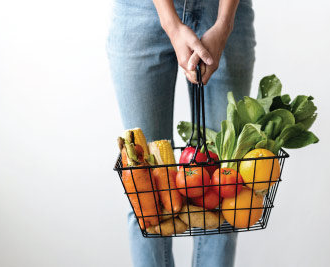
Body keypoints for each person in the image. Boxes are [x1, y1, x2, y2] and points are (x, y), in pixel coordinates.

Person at [106, 0, 255, 266]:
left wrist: (224, 23)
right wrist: (170, 23)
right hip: (141, 10)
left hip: (223, 10)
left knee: (225, 187)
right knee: (144, 191)